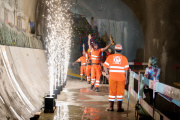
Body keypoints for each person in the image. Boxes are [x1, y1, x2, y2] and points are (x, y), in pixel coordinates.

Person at [103, 44, 129, 112]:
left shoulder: (110, 57)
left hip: (112, 78)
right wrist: (126, 78)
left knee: (112, 91)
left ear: (115, 50)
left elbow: (105, 66)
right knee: (120, 93)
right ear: (121, 50)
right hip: (121, 78)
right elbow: (126, 70)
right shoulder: (124, 58)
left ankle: (110, 107)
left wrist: (107, 74)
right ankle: (119, 108)